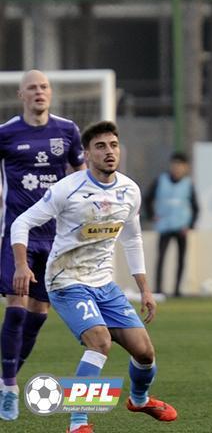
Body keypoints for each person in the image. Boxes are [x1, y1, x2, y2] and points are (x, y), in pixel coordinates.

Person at [11, 120, 177, 432]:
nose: (109, 152)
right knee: (100, 342)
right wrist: (21, 264)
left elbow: (132, 239)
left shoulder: (129, 190)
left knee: (144, 352)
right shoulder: (67, 189)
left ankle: (139, 400)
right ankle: (78, 422)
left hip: (104, 284)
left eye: (113, 145)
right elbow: (21, 223)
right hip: (66, 281)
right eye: (100, 146)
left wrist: (144, 288)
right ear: (86, 154)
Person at [0, 70, 85, 421]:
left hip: (56, 237)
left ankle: (5, 378)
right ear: (21, 94)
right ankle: (9, 388)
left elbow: (81, 174)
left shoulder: (68, 130)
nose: (39, 92)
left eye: (44, 87)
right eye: (32, 87)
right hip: (17, 233)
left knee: (39, 314)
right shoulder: (6, 133)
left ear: (50, 93)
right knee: (16, 304)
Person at [145, 151, 199, 298]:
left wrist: (190, 225)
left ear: (185, 167)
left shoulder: (188, 184)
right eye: (175, 165)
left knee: (181, 259)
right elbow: (147, 198)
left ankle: (177, 290)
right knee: (161, 258)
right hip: (164, 227)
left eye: (180, 165)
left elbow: (196, 207)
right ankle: (158, 289)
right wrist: (151, 215)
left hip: (181, 228)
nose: (177, 168)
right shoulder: (160, 181)